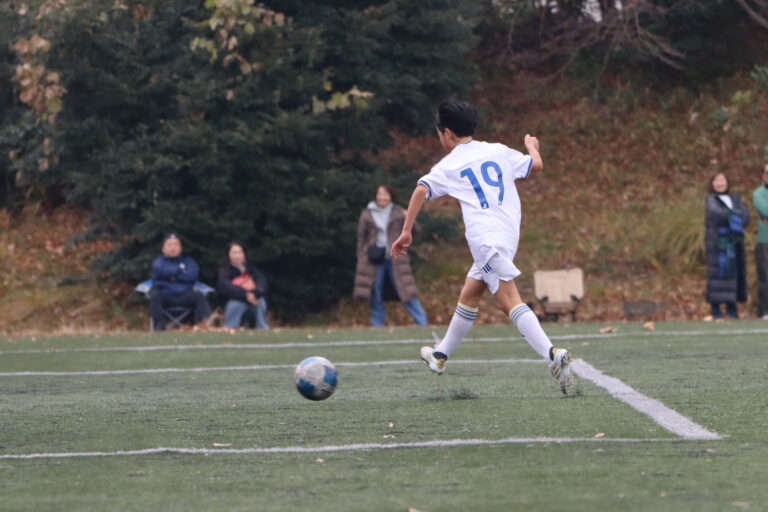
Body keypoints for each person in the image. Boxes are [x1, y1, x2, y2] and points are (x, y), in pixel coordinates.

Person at [390, 99, 574, 394]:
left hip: (485, 241)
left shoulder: (450, 164)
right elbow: (536, 165)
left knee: (509, 300)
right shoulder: (498, 150)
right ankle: (440, 355)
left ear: (447, 133)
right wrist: (531, 146)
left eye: (439, 134)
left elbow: (421, 189)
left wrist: (406, 231)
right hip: (508, 236)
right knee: (471, 292)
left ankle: (553, 354)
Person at [353, 184, 428, 327]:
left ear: (391, 196)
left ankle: (422, 322)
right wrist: (361, 257)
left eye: (385, 194)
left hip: (397, 258)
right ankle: (377, 323)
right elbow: (361, 239)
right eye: (380, 194)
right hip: (374, 259)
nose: (382, 197)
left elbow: (415, 231)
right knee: (376, 292)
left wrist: (409, 217)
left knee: (406, 291)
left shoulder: (398, 212)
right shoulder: (367, 214)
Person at [705, 172, 750, 319]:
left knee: (733, 273)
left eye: (722, 180)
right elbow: (719, 215)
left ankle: (732, 307)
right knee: (718, 274)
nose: (720, 183)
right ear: (712, 184)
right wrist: (734, 215)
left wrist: (734, 215)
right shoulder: (711, 200)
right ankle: (716, 308)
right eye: (716, 180)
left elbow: (745, 215)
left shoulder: (735, 198)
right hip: (718, 243)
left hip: (734, 241)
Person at [149, 234, 211, 331]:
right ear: (163, 248)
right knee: (155, 297)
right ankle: (158, 328)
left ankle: (203, 326)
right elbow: (162, 271)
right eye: (169, 244)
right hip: (165, 295)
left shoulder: (189, 262)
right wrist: (181, 271)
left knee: (199, 296)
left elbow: (192, 276)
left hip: (185, 295)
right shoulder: (158, 262)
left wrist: (172, 276)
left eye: (176, 244)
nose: (173, 247)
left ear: (180, 248)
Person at [217, 242, 269, 329]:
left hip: (253, 301)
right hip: (234, 302)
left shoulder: (251, 269)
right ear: (228, 255)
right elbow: (225, 287)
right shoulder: (224, 271)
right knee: (236, 303)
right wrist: (246, 295)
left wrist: (254, 293)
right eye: (234, 253)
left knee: (260, 300)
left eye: (240, 252)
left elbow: (262, 283)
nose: (237, 256)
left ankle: (262, 327)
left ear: (244, 254)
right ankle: (230, 327)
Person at [753, 163, 768, 320]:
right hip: (765, 241)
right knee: (765, 276)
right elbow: (765, 211)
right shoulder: (758, 193)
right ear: (763, 176)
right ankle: (765, 310)